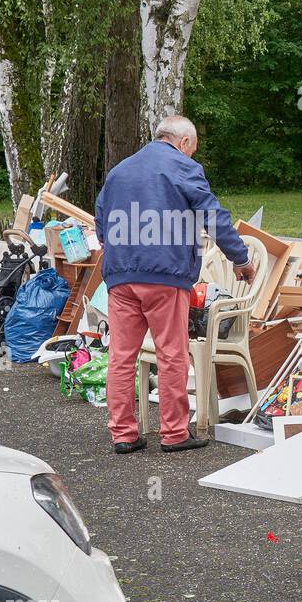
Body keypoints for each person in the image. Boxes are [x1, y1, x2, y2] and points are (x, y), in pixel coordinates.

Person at [95, 115, 256, 454]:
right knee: (171, 354)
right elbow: (214, 216)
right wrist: (240, 259)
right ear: (183, 143)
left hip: (121, 276)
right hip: (164, 277)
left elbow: (100, 219)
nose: (191, 157)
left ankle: (123, 434)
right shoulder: (183, 168)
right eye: (192, 150)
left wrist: (120, 252)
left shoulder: (119, 171)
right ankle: (174, 433)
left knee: (121, 356)